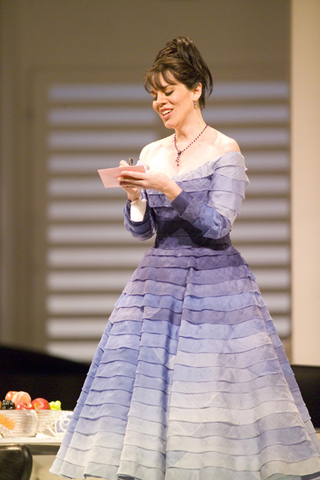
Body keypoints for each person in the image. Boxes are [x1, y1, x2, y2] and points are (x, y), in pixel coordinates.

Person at [50, 37, 320, 480]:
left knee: (209, 393)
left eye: (169, 91)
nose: (160, 101)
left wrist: (171, 188)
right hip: (157, 284)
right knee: (147, 390)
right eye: (155, 94)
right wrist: (136, 196)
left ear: (195, 90)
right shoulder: (153, 152)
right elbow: (143, 231)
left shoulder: (224, 150)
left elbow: (218, 226)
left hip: (216, 288)